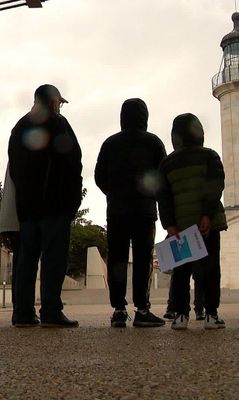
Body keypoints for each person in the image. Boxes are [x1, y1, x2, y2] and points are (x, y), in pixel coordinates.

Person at [8, 84, 82, 328]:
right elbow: (73, 162)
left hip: (27, 209)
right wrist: (72, 202)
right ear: (53, 102)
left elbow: (15, 170)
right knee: (53, 259)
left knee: (27, 259)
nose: (60, 107)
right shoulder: (58, 123)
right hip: (55, 206)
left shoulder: (18, 128)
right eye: (59, 102)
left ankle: (23, 312)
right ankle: (51, 310)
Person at [94, 98, 166, 328]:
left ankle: (118, 309)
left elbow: (98, 176)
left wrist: (113, 192)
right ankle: (142, 308)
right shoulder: (154, 142)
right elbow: (163, 175)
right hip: (144, 210)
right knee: (144, 260)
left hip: (116, 210)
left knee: (117, 259)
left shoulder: (110, 143)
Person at [158, 113, 227, 330]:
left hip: (180, 227)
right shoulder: (210, 156)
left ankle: (180, 316)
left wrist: (169, 224)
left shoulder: (167, 163)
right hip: (208, 224)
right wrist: (206, 214)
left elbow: (164, 197)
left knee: (181, 273)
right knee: (210, 270)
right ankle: (211, 314)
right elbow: (215, 188)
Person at [0, 163, 39, 326]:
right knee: (26, 264)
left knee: (21, 264)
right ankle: (23, 311)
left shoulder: (15, 153)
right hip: (22, 218)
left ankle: (21, 309)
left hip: (13, 218)